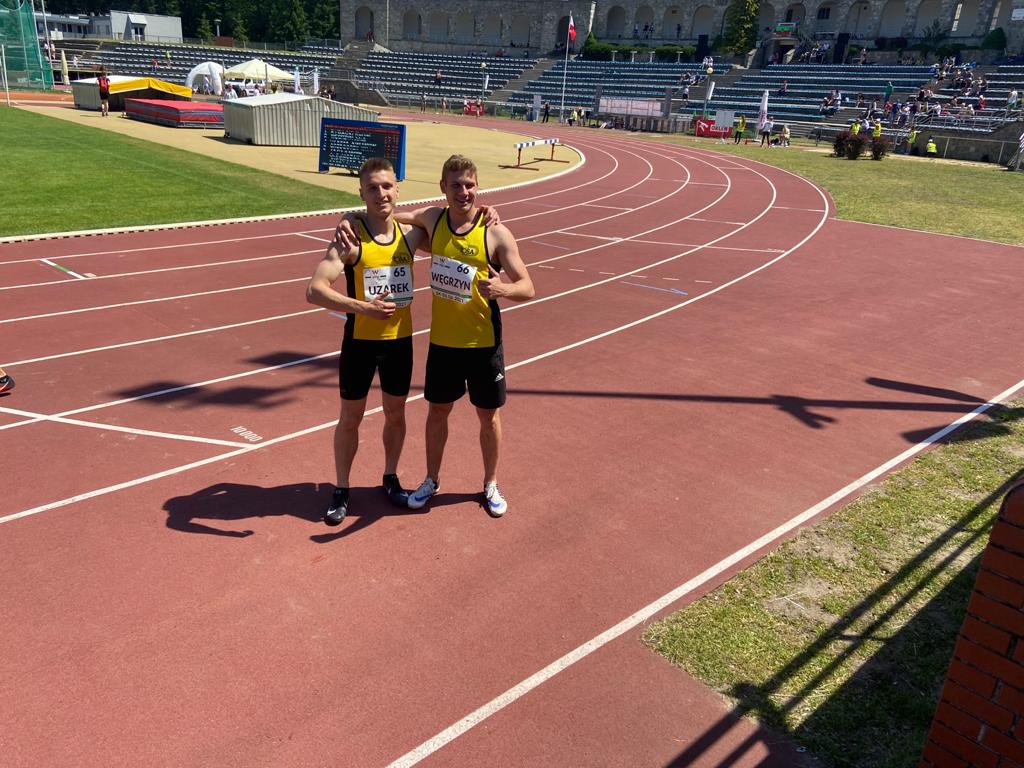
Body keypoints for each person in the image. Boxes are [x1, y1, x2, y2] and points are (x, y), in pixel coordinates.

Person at [395, 156, 534, 516]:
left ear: (478, 186)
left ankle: (490, 483)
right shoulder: (433, 219)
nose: (463, 191)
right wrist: (352, 219)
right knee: (437, 412)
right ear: (443, 187)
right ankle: (431, 479)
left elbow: (528, 287)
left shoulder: (495, 232)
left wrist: (503, 289)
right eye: (455, 185)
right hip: (443, 343)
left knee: (488, 416)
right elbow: (394, 216)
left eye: (469, 185)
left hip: (483, 343)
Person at [306, 157, 428, 525]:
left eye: (387, 186)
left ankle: (390, 477)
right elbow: (314, 290)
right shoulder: (351, 239)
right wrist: (363, 308)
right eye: (372, 188)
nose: (381, 194)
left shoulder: (413, 236)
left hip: (399, 343)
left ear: (397, 190)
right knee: (350, 419)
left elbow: (450, 222)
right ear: (362, 193)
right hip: (360, 343)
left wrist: (487, 213)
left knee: (396, 415)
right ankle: (342, 488)